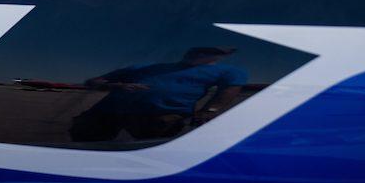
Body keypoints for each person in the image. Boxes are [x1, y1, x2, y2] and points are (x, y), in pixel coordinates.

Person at [69, 46, 248, 142]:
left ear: (226, 53)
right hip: (106, 114)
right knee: (83, 149)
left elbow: (230, 89)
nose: (200, 53)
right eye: (197, 49)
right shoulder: (143, 67)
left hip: (161, 118)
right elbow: (92, 82)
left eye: (211, 50)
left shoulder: (228, 71)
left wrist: (209, 111)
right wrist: (119, 86)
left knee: (151, 158)